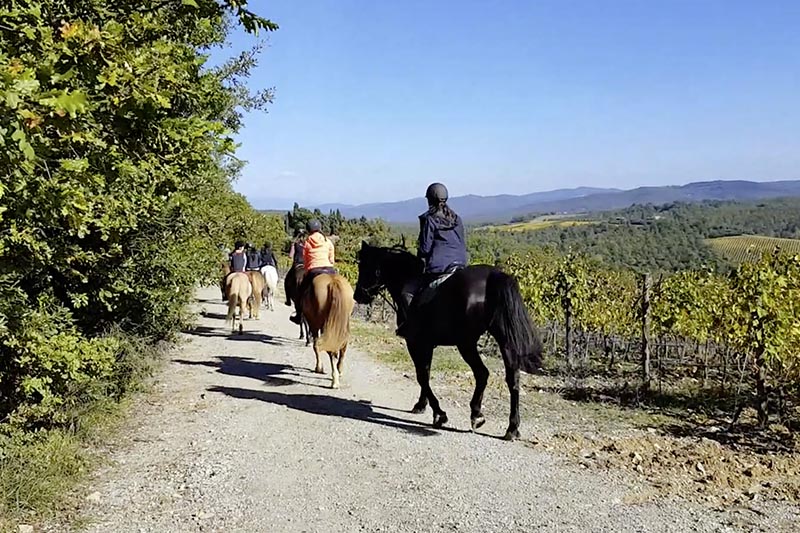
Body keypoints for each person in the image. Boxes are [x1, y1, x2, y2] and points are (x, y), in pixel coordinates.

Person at [395, 182, 467, 338]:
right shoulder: (457, 218)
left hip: (440, 267)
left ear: (430, 200)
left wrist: (419, 253)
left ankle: (412, 328)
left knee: (406, 292)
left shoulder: (430, 219)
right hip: (460, 264)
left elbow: (425, 249)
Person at [289, 219, 336, 324]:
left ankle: (299, 314)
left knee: (301, 290)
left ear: (308, 229)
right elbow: (332, 258)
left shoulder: (308, 241)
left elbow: (306, 259)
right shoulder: (327, 241)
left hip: (314, 269)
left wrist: (307, 268)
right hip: (329, 269)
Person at [285, 228, 306, 306]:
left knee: (287, 280)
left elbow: (290, 255)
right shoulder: (307, 243)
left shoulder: (294, 243)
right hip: (306, 264)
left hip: (297, 264)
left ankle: (288, 300)